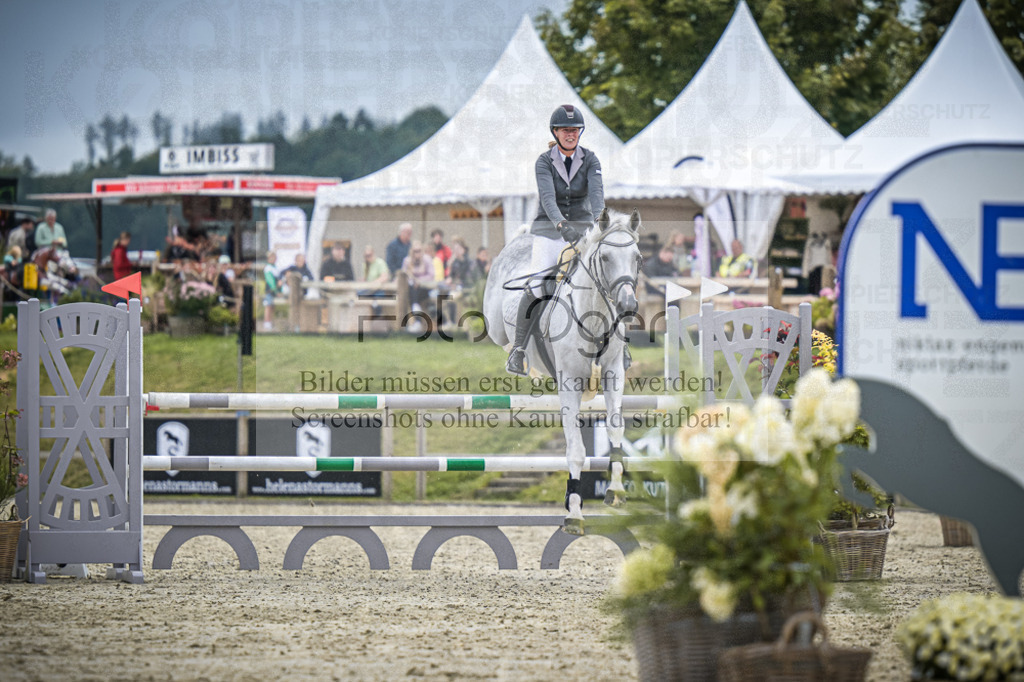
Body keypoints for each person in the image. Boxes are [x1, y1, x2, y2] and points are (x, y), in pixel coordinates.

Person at [506, 104, 605, 376]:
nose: (570, 134)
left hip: (583, 231)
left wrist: (600, 223)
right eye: (565, 130)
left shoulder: (592, 160)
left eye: (574, 130)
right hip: (550, 232)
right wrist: (562, 225)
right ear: (556, 132)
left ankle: (620, 346)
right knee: (539, 284)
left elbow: (597, 196)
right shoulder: (544, 161)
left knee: (602, 280)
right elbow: (548, 199)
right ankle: (518, 349)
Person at [402, 241, 437, 312]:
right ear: (412, 251)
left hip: (425, 286)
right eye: (415, 251)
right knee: (411, 288)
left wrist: (419, 281)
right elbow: (404, 275)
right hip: (412, 287)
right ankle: (415, 306)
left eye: (419, 251)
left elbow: (431, 275)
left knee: (414, 292)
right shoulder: (407, 261)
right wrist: (413, 281)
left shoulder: (427, 259)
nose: (417, 253)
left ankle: (415, 306)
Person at [263, 251, 280, 330]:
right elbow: (270, 281)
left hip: (275, 290)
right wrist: (275, 290)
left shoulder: (275, 268)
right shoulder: (268, 268)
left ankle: (271, 322)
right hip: (270, 290)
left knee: (273, 306)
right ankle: (267, 323)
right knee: (268, 305)